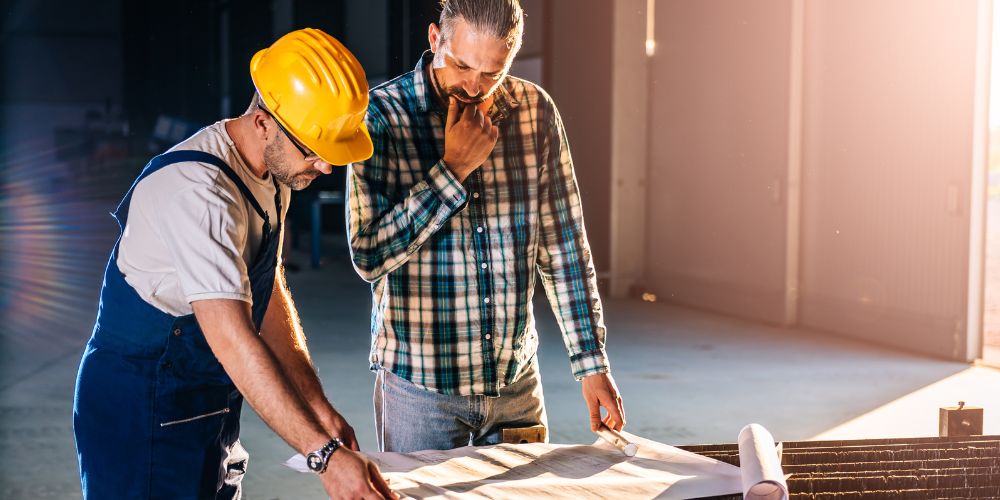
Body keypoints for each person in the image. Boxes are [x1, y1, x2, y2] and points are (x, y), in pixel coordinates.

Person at [73, 28, 395, 499]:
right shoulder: (199, 194)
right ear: (263, 121)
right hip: (140, 407)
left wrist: (316, 406)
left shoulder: (275, 171)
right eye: (313, 150)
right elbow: (233, 338)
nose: (325, 167)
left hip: (207, 404)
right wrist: (323, 455)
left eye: (331, 153)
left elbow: (267, 292)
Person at [347, 0, 626, 453]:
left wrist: (591, 363)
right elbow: (368, 255)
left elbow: (565, 249)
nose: (474, 87)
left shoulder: (534, 112)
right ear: (435, 39)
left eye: (491, 73)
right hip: (421, 390)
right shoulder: (381, 117)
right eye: (461, 65)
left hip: (515, 386)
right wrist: (452, 170)